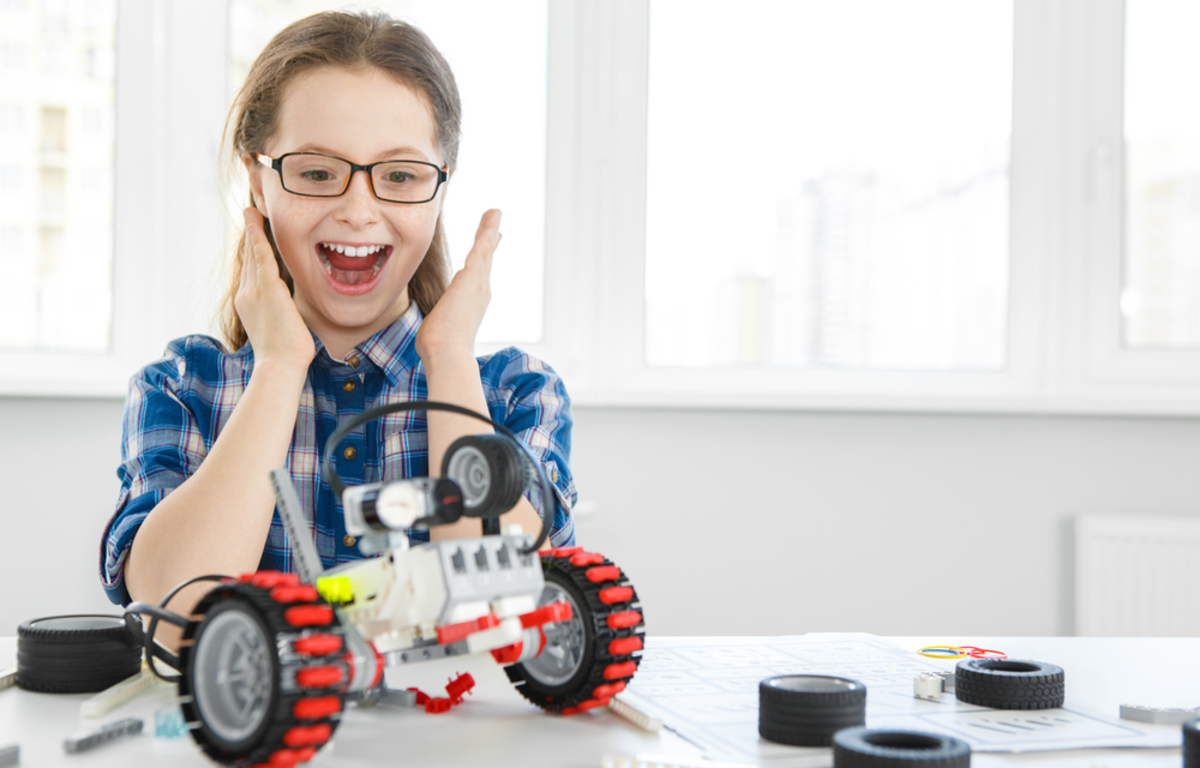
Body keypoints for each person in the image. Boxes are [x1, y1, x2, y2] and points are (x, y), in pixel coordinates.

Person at [99, 11, 577, 626]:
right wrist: (278, 366)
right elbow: (179, 608)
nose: (357, 211)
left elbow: (505, 608)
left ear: (440, 190)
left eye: (400, 176)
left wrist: (451, 357)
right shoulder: (182, 388)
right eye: (318, 173)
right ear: (258, 180)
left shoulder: (514, 393)